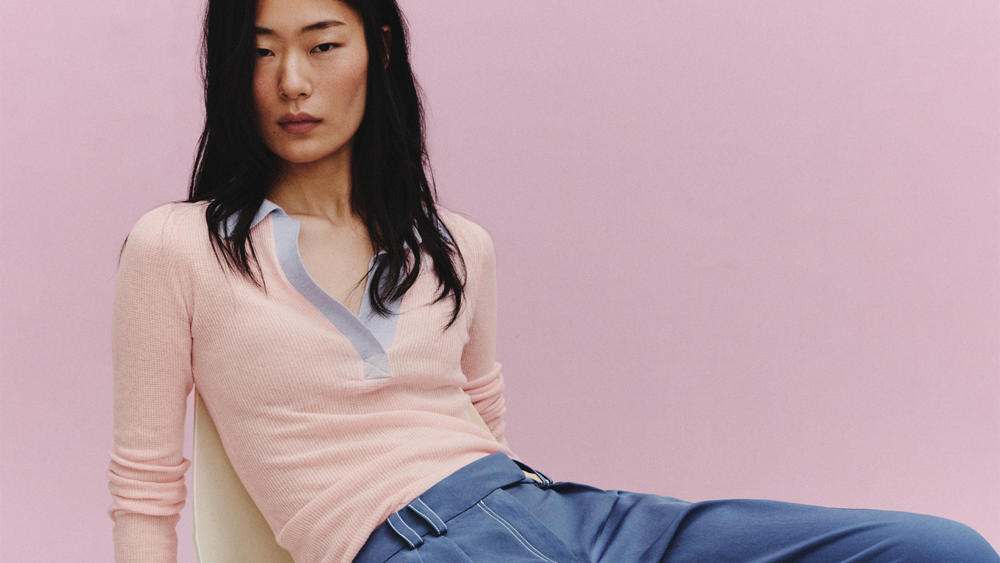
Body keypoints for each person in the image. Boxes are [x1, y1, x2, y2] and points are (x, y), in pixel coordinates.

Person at [106, 0, 1000, 562]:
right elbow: (146, 487)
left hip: (572, 516)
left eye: (322, 44)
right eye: (260, 51)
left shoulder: (455, 245)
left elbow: (482, 427)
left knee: (943, 549)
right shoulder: (178, 246)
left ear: (376, 47)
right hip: (404, 544)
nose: (292, 82)